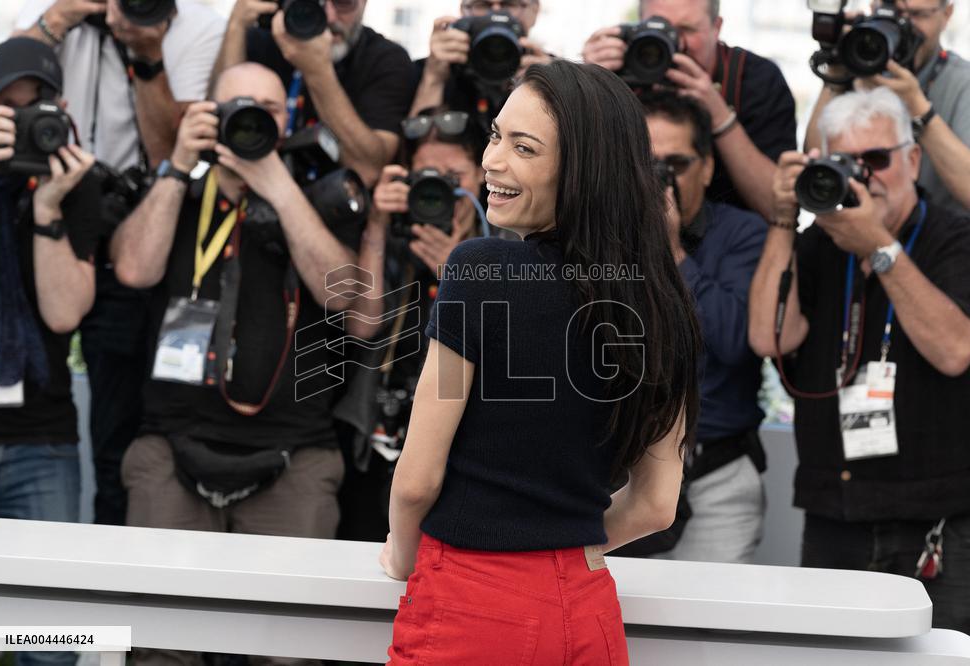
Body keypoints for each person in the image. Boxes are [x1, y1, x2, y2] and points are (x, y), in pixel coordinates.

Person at [380, 60, 701, 664]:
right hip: (587, 612)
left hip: (469, 610)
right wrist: (563, 545)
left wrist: (400, 554)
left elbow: (417, 477)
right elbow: (657, 506)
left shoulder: (479, 273)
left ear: (583, 171)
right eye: (496, 136)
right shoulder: (663, 300)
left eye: (523, 148)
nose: (493, 161)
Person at [110, 62, 364, 666]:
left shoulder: (319, 193)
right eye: (238, 106)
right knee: (161, 650)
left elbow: (346, 295)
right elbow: (133, 269)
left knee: (290, 653)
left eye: (269, 108)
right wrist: (176, 165)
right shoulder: (179, 190)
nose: (253, 118)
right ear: (206, 115)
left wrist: (277, 184)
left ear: (290, 120)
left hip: (293, 453)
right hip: (174, 448)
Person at [749, 87, 970, 635]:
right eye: (846, 162)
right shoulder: (822, 244)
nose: (865, 175)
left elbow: (954, 350)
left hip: (936, 517)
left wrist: (881, 248)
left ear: (913, 159)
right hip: (835, 512)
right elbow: (767, 336)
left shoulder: (954, 238)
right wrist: (783, 219)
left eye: (878, 159)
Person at [15, 0, 226, 526]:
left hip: (135, 226)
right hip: (46, 207)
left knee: (115, 430)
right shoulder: (57, 11)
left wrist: (147, 51)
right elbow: (4, 78)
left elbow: (169, 150)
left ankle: (108, 554)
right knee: (31, 396)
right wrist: (59, 18)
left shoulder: (195, 25)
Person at [0, 37, 100, 666]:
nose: (25, 122)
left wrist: (48, 208)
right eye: (7, 108)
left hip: (41, 443)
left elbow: (65, 313)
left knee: (50, 642)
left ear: (63, 108)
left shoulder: (75, 183)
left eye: (37, 106)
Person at [335, 106, 487, 542]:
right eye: (426, 175)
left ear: (480, 176)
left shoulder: (503, 250)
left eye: (453, 177)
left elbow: (511, 358)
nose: (438, 188)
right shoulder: (392, 240)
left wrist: (457, 276)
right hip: (379, 451)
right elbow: (362, 324)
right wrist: (379, 226)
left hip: (463, 465)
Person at [639, 91, 768, 564]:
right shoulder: (597, 237)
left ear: (709, 167)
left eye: (676, 164)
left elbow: (738, 341)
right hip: (620, 474)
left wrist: (670, 250)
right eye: (646, 165)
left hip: (716, 471)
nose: (661, 180)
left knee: (711, 631)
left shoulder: (743, 234)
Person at [581, 0, 796, 221]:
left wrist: (720, 115)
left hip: (732, 244)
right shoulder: (618, 69)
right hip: (620, 230)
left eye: (687, 29)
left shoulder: (753, 79)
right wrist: (587, 85)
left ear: (717, 27)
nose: (672, 41)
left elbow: (778, 208)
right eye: (659, 25)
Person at [213, 0, 415, 186]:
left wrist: (318, 71)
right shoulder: (261, 39)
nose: (328, 17)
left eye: (343, 3)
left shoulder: (386, 60)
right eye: (313, 2)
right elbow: (219, 129)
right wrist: (236, 26)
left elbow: (368, 169)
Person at [804, 0, 970, 214]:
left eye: (918, 15)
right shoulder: (857, 62)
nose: (903, 25)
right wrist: (838, 68)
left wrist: (917, 106)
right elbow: (817, 160)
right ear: (874, 7)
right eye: (895, 12)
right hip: (856, 232)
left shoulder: (962, 83)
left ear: (946, 15)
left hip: (946, 241)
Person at [410, 0, 553, 131]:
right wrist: (433, 78)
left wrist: (550, 89)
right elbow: (411, 147)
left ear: (534, 11)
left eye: (509, 4)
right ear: (463, 11)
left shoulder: (556, 72)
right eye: (482, 5)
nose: (495, 14)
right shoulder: (423, 70)